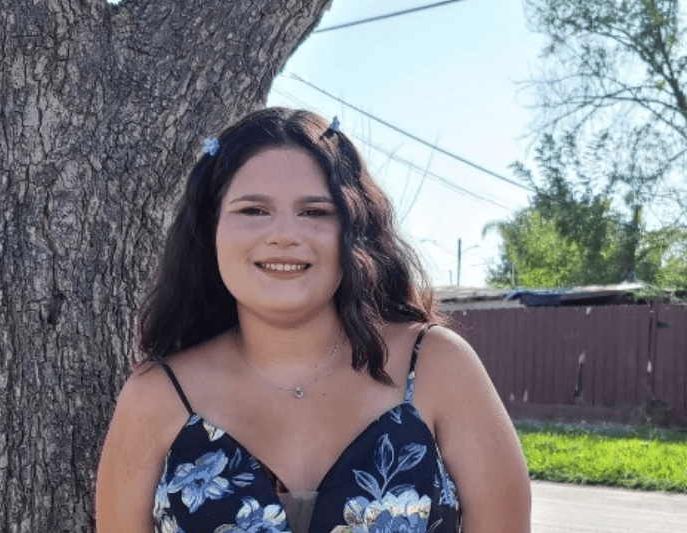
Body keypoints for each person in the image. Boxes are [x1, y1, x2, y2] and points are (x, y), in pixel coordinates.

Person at [96, 108, 531, 532]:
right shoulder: (157, 397)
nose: (285, 234)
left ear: (354, 229)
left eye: (315, 212)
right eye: (253, 210)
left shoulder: (438, 367)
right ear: (210, 230)